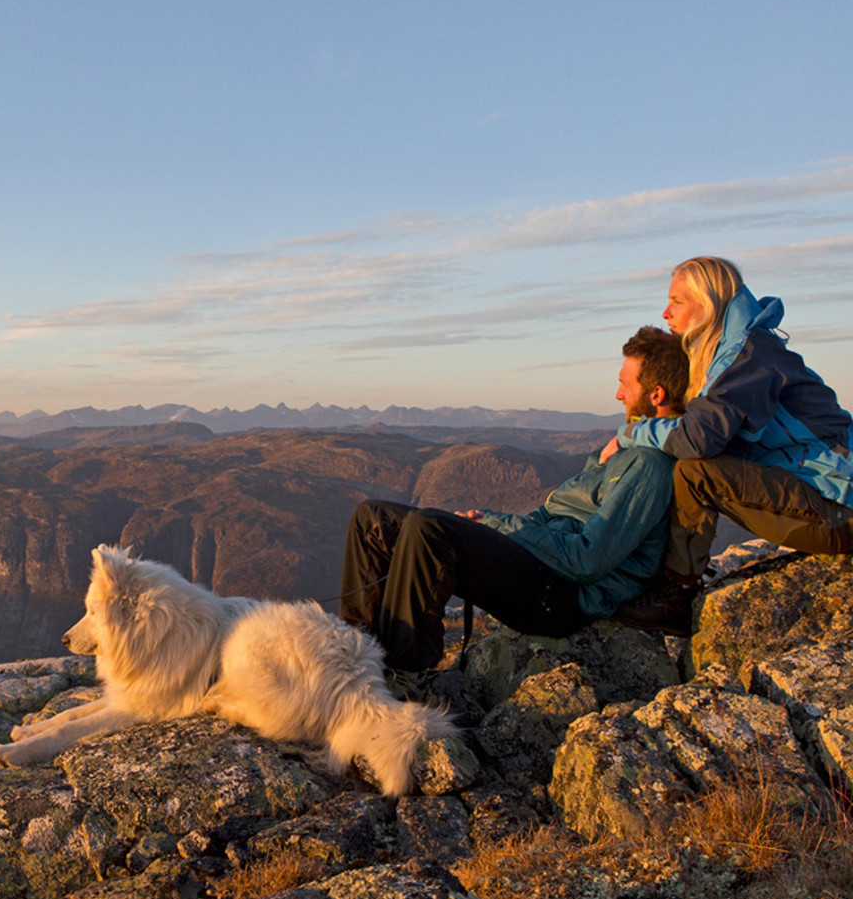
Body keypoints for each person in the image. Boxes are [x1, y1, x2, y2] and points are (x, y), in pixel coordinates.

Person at [338, 327, 688, 674]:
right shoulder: (622, 451)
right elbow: (552, 514)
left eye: (625, 384)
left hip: (560, 594)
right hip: (539, 565)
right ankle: (354, 660)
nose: (617, 394)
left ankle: (404, 674)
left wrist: (499, 525)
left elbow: (587, 560)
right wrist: (494, 526)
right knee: (372, 518)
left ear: (655, 394)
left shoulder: (649, 467)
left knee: (426, 529)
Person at [608, 255, 853, 633]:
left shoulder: (745, 356)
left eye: (677, 301)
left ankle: (677, 593)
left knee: (694, 472)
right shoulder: (737, 351)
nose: (666, 312)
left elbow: (695, 439)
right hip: (828, 497)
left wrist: (629, 434)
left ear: (706, 304)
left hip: (838, 507)